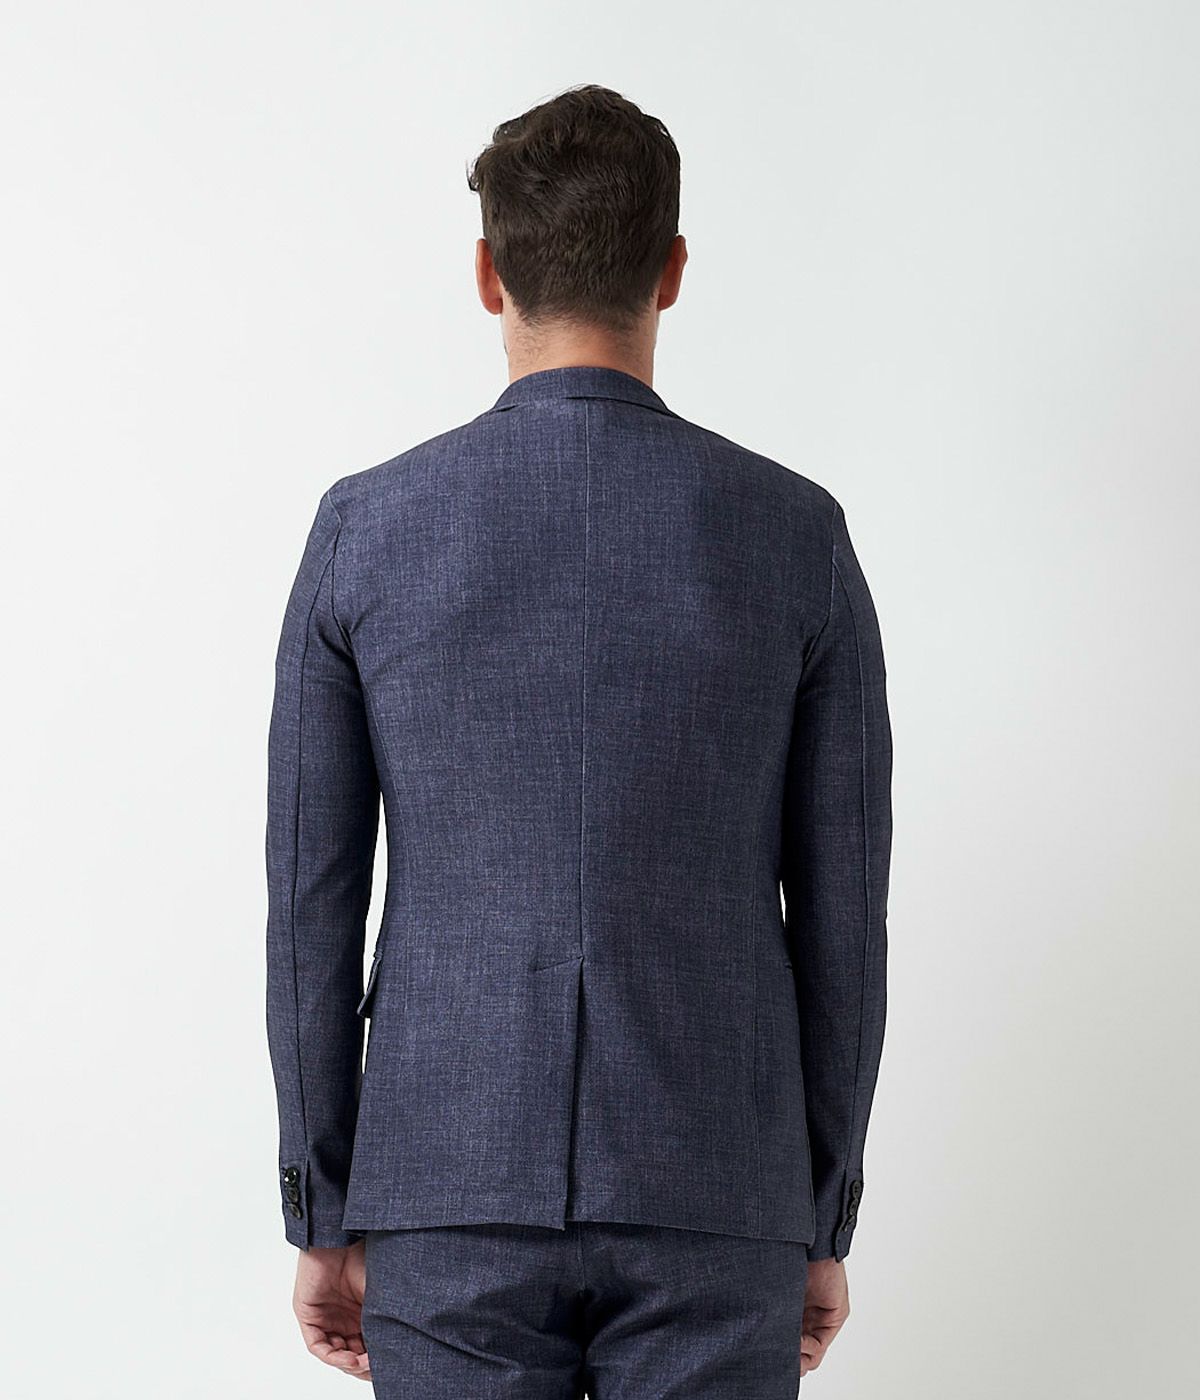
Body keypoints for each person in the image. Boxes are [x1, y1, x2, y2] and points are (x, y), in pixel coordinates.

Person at [265, 82, 893, 1398]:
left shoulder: (366, 531)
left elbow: (312, 906)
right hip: (720, 1184)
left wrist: (323, 1204)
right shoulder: (797, 536)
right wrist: (820, 1212)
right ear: (672, 271)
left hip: (444, 1179)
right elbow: (844, 915)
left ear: (488, 275)